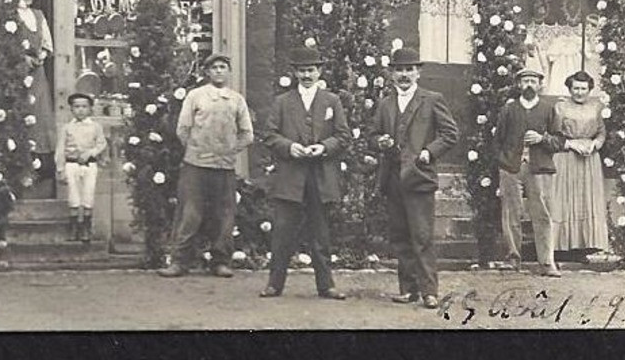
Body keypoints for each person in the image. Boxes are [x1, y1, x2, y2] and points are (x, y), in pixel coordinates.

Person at [258, 45, 351, 301]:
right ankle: (274, 284)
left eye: (311, 70)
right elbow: (269, 135)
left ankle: (326, 286)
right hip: (291, 176)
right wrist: (290, 147)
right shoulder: (282, 102)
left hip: (320, 177)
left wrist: (323, 147)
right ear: (295, 73)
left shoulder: (331, 101)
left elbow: (343, 136)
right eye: (302, 71)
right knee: (282, 233)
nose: (307, 75)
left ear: (319, 72)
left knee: (320, 234)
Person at [372, 47, 458, 309]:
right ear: (391, 74)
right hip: (393, 178)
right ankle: (407, 289)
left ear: (418, 72)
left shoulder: (432, 99)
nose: (404, 75)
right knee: (400, 235)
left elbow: (450, 134)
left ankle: (428, 291)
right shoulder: (385, 104)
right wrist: (381, 141)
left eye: (409, 69)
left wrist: (428, 152)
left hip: (419, 176)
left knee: (421, 236)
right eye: (399, 70)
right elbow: (373, 135)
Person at [159, 53, 255, 278]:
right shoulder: (196, 96)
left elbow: (247, 134)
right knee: (190, 213)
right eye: (214, 68)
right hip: (196, 166)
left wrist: (230, 150)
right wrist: (197, 150)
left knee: (224, 215)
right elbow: (183, 129)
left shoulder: (236, 100)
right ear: (207, 72)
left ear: (228, 72)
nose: (219, 71)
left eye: (223, 67)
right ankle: (180, 262)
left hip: (224, 167)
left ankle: (220, 261)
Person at [495, 65, 567, 276]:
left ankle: (546, 262)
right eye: (525, 81)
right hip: (511, 168)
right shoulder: (509, 109)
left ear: (539, 85)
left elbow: (560, 141)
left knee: (542, 214)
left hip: (540, 168)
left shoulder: (548, 109)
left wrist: (542, 139)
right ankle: (513, 259)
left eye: (533, 81)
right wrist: (504, 162)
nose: (529, 85)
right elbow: (497, 140)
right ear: (519, 85)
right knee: (511, 213)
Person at [551, 70, 611, 257]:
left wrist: (595, 144)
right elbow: (553, 133)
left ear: (589, 89)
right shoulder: (560, 107)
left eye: (583, 88)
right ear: (569, 88)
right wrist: (571, 144)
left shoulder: (596, 107)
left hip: (589, 158)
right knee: (564, 197)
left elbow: (601, 132)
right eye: (575, 88)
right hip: (566, 155)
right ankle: (561, 246)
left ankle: (588, 244)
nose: (579, 92)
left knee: (587, 197)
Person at [13, 0, 57, 181]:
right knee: (21, 111)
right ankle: (18, 162)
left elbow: (47, 42)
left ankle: (39, 164)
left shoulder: (38, 15)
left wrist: (41, 56)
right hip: (17, 70)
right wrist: (22, 58)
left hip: (37, 72)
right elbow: (6, 43)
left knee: (39, 112)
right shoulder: (11, 15)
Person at [60, 92, 108, 242]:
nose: (80, 110)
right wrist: (60, 168)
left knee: (88, 194)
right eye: (76, 107)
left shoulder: (95, 127)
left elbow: (102, 143)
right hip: (72, 164)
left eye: (84, 107)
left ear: (90, 109)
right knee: (73, 195)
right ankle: (74, 227)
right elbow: (60, 149)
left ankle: (86, 227)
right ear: (71, 109)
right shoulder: (67, 128)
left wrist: (90, 153)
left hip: (89, 165)